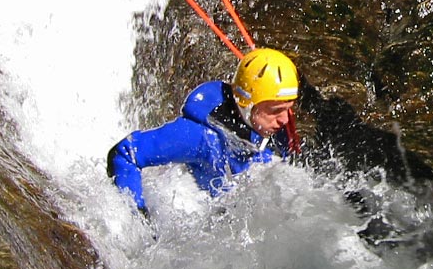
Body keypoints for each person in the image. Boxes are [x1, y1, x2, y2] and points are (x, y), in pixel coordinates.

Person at [107, 48, 300, 215]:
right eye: (275, 111)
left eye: (288, 108)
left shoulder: (267, 125)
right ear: (246, 105)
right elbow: (126, 153)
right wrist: (138, 218)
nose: (284, 120)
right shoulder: (199, 136)